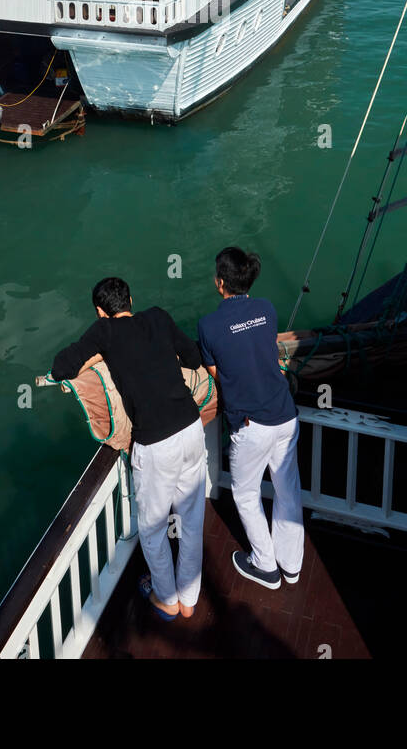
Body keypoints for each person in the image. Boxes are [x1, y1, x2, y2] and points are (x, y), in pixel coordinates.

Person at [50, 277, 206, 621]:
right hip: (191, 428)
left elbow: (62, 367)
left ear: (100, 312)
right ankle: (190, 599)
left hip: (155, 443)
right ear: (131, 300)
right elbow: (194, 359)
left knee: (152, 528)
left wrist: (96, 356)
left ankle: (167, 598)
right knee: (191, 519)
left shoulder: (103, 332)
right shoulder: (158, 317)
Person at [198, 246, 304, 590]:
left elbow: (217, 372)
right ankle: (291, 565)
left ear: (220, 283)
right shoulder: (267, 309)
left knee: (245, 495)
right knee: (287, 489)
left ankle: (265, 565)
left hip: (251, 425)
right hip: (286, 415)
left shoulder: (209, 326)